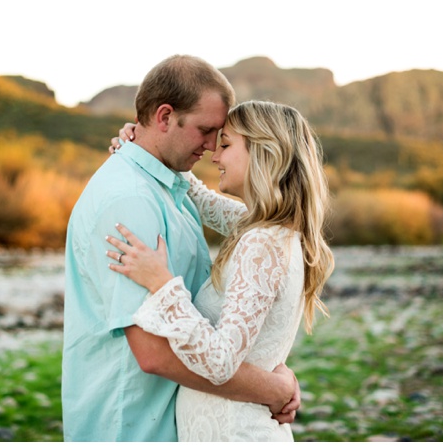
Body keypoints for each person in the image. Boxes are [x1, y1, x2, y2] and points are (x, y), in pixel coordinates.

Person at [62, 55, 299, 442]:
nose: (211, 149)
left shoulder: (175, 191)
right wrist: (273, 389)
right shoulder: (131, 202)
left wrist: (275, 372)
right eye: (206, 131)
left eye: (222, 138)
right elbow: (154, 353)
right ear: (165, 116)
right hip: (133, 427)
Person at [105, 100, 335, 441]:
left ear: (264, 154)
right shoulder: (267, 230)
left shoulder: (263, 244)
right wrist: (149, 148)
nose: (215, 155)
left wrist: (162, 283)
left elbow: (221, 361)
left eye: (226, 145)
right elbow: (203, 199)